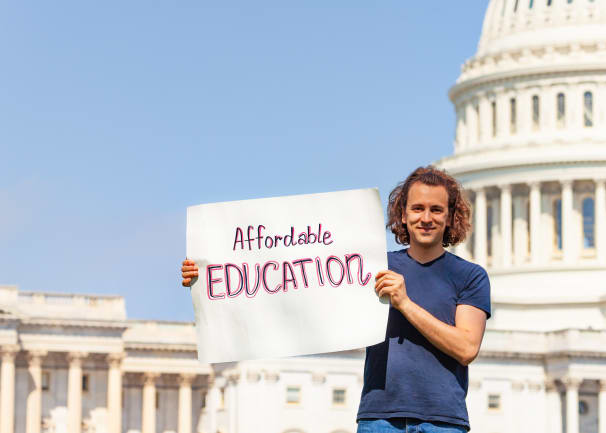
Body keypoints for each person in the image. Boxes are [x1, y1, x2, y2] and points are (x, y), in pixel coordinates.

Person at [181, 166, 491, 433]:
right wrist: (206, 277)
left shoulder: (470, 276)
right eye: (417, 208)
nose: (426, 218)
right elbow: (291, 291)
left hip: (443, 420)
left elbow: (465, 348)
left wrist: (405, 303)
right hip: (379, 417)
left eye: (436, 210)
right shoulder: (370, 266)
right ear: (403, 213)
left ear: (451, 217)